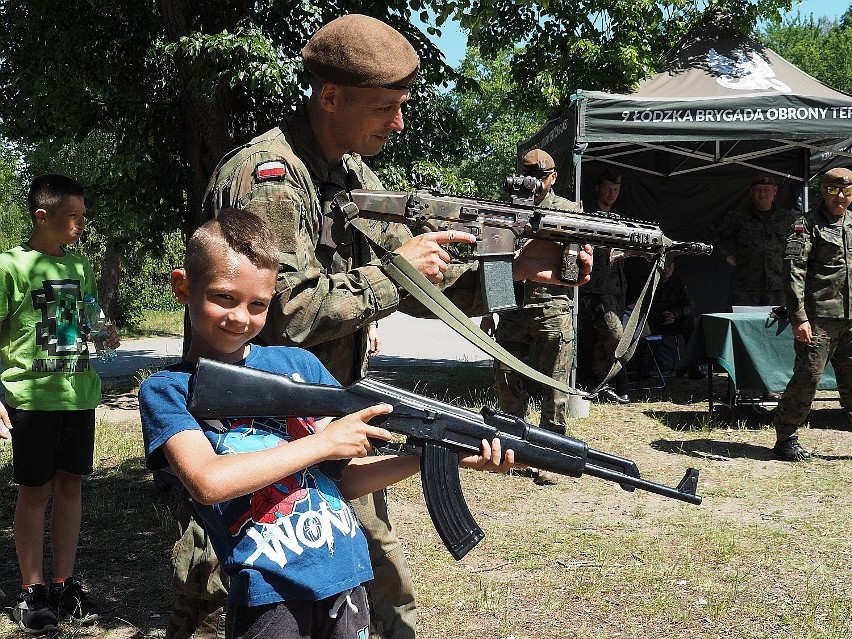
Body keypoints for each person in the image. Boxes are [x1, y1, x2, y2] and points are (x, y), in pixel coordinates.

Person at [193, 13, 593, 639]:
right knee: (238, 589)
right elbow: (284, 311)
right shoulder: (269, 177)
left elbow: (411, 278)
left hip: (333, 419)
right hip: (258, 434)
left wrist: (520, 267)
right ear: (330, 97)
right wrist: (392, 276)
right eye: (385, 107)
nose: (399, 122)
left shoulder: (350, 173)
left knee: (368, 590)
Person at [139, 209, 516, 639]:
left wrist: (437, 455)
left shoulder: (298, 365)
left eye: (258, 304)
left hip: (346, 577)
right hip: (267, 591)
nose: (241, 317)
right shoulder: (168, 390)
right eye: (225, 297)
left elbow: (345, 480)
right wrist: (323, 444)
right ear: (183, 286)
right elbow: (207, 482)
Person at [0, 174, 119, 633]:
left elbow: (85, 322)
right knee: (35, 491)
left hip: (78, 396)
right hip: (31, 399)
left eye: (83, 216)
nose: (81, 224)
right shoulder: (10, 266)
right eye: (74, 216)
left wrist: (102, 334)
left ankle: (64, 583)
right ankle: (32, 590)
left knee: (70, 485)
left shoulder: (79, 266)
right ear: (42, 216)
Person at [479, 149, 582, 485]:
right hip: (512, 310)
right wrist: (490, 310)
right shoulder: (503, 209)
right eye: (528, 174)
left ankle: (552, 458)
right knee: (507, 384)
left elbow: (579, 262)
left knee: (555, 390)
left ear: (553, 178)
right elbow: (493, 262)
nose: (534, 183)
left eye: (542, 177)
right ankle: (514, 451)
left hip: (553, 310)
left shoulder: (568, 211)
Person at [772, 167, 852, 462]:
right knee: (808, 378)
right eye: (833, 190)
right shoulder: (806, 225)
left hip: (851, 319)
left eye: (847, 191)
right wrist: (799, 317)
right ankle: (786, 437)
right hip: (819, 319)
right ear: (823, 191)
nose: (841, 197)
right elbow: (794, 273)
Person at [705, 173, 798, 308]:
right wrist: (726, 256)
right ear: (751, 192)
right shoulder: (738, 217)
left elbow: (798, 245)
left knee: (776, 326)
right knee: (744, 326)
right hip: (746, 286)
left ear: (775, 191)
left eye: (766, 189)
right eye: (758, 190)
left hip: (778, 286)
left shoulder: (787, 219)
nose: (762, 194)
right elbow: (710, 235)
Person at [578, 169, 630, 404]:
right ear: (597, 188)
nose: (612, 194)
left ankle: (600, 385)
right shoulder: (585, 215)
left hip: (616, 289)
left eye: (616, 190)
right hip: (593, 289)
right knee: (614, 334)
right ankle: (601, 382)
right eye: (608, 188)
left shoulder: (619, 219)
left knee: (606, 339)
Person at [646, 257, 705, 379]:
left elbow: (688, 305)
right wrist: (658, 316)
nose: (666, 270)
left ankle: (693, 367)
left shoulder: (677, 283)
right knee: (640, 326)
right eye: (663, 267)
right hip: (651, 321)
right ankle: (643, 369)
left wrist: (674, 314)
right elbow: (638, 306)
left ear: (673, 268)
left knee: (692, 323)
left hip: (672, 320)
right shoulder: (647, 282)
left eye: (669, 267)